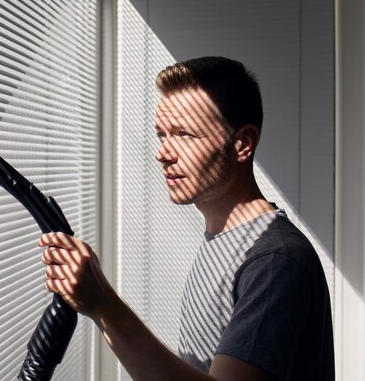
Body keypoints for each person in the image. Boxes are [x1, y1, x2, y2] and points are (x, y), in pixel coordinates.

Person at [39, 56, 334, 381]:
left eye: (184, 135)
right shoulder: (225, 239)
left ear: (242, 143)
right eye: (162, 135)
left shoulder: (274, 262)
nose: (163, 153)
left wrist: (104, 305)